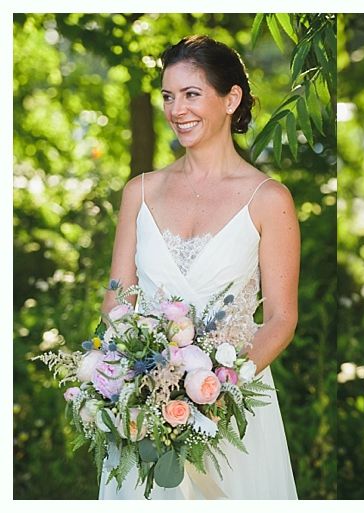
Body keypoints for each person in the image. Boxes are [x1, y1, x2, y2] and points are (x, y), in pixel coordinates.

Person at [98, 35, 299, 499]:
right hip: (144, 411)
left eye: (192, 94)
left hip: (233, 410)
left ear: (231, 99)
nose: (176, 110)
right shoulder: (140, 192)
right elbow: (115, 303)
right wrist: (133, 383)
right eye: (169, 96)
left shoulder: (268, 199)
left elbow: (282, 320)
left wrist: (215, 392)